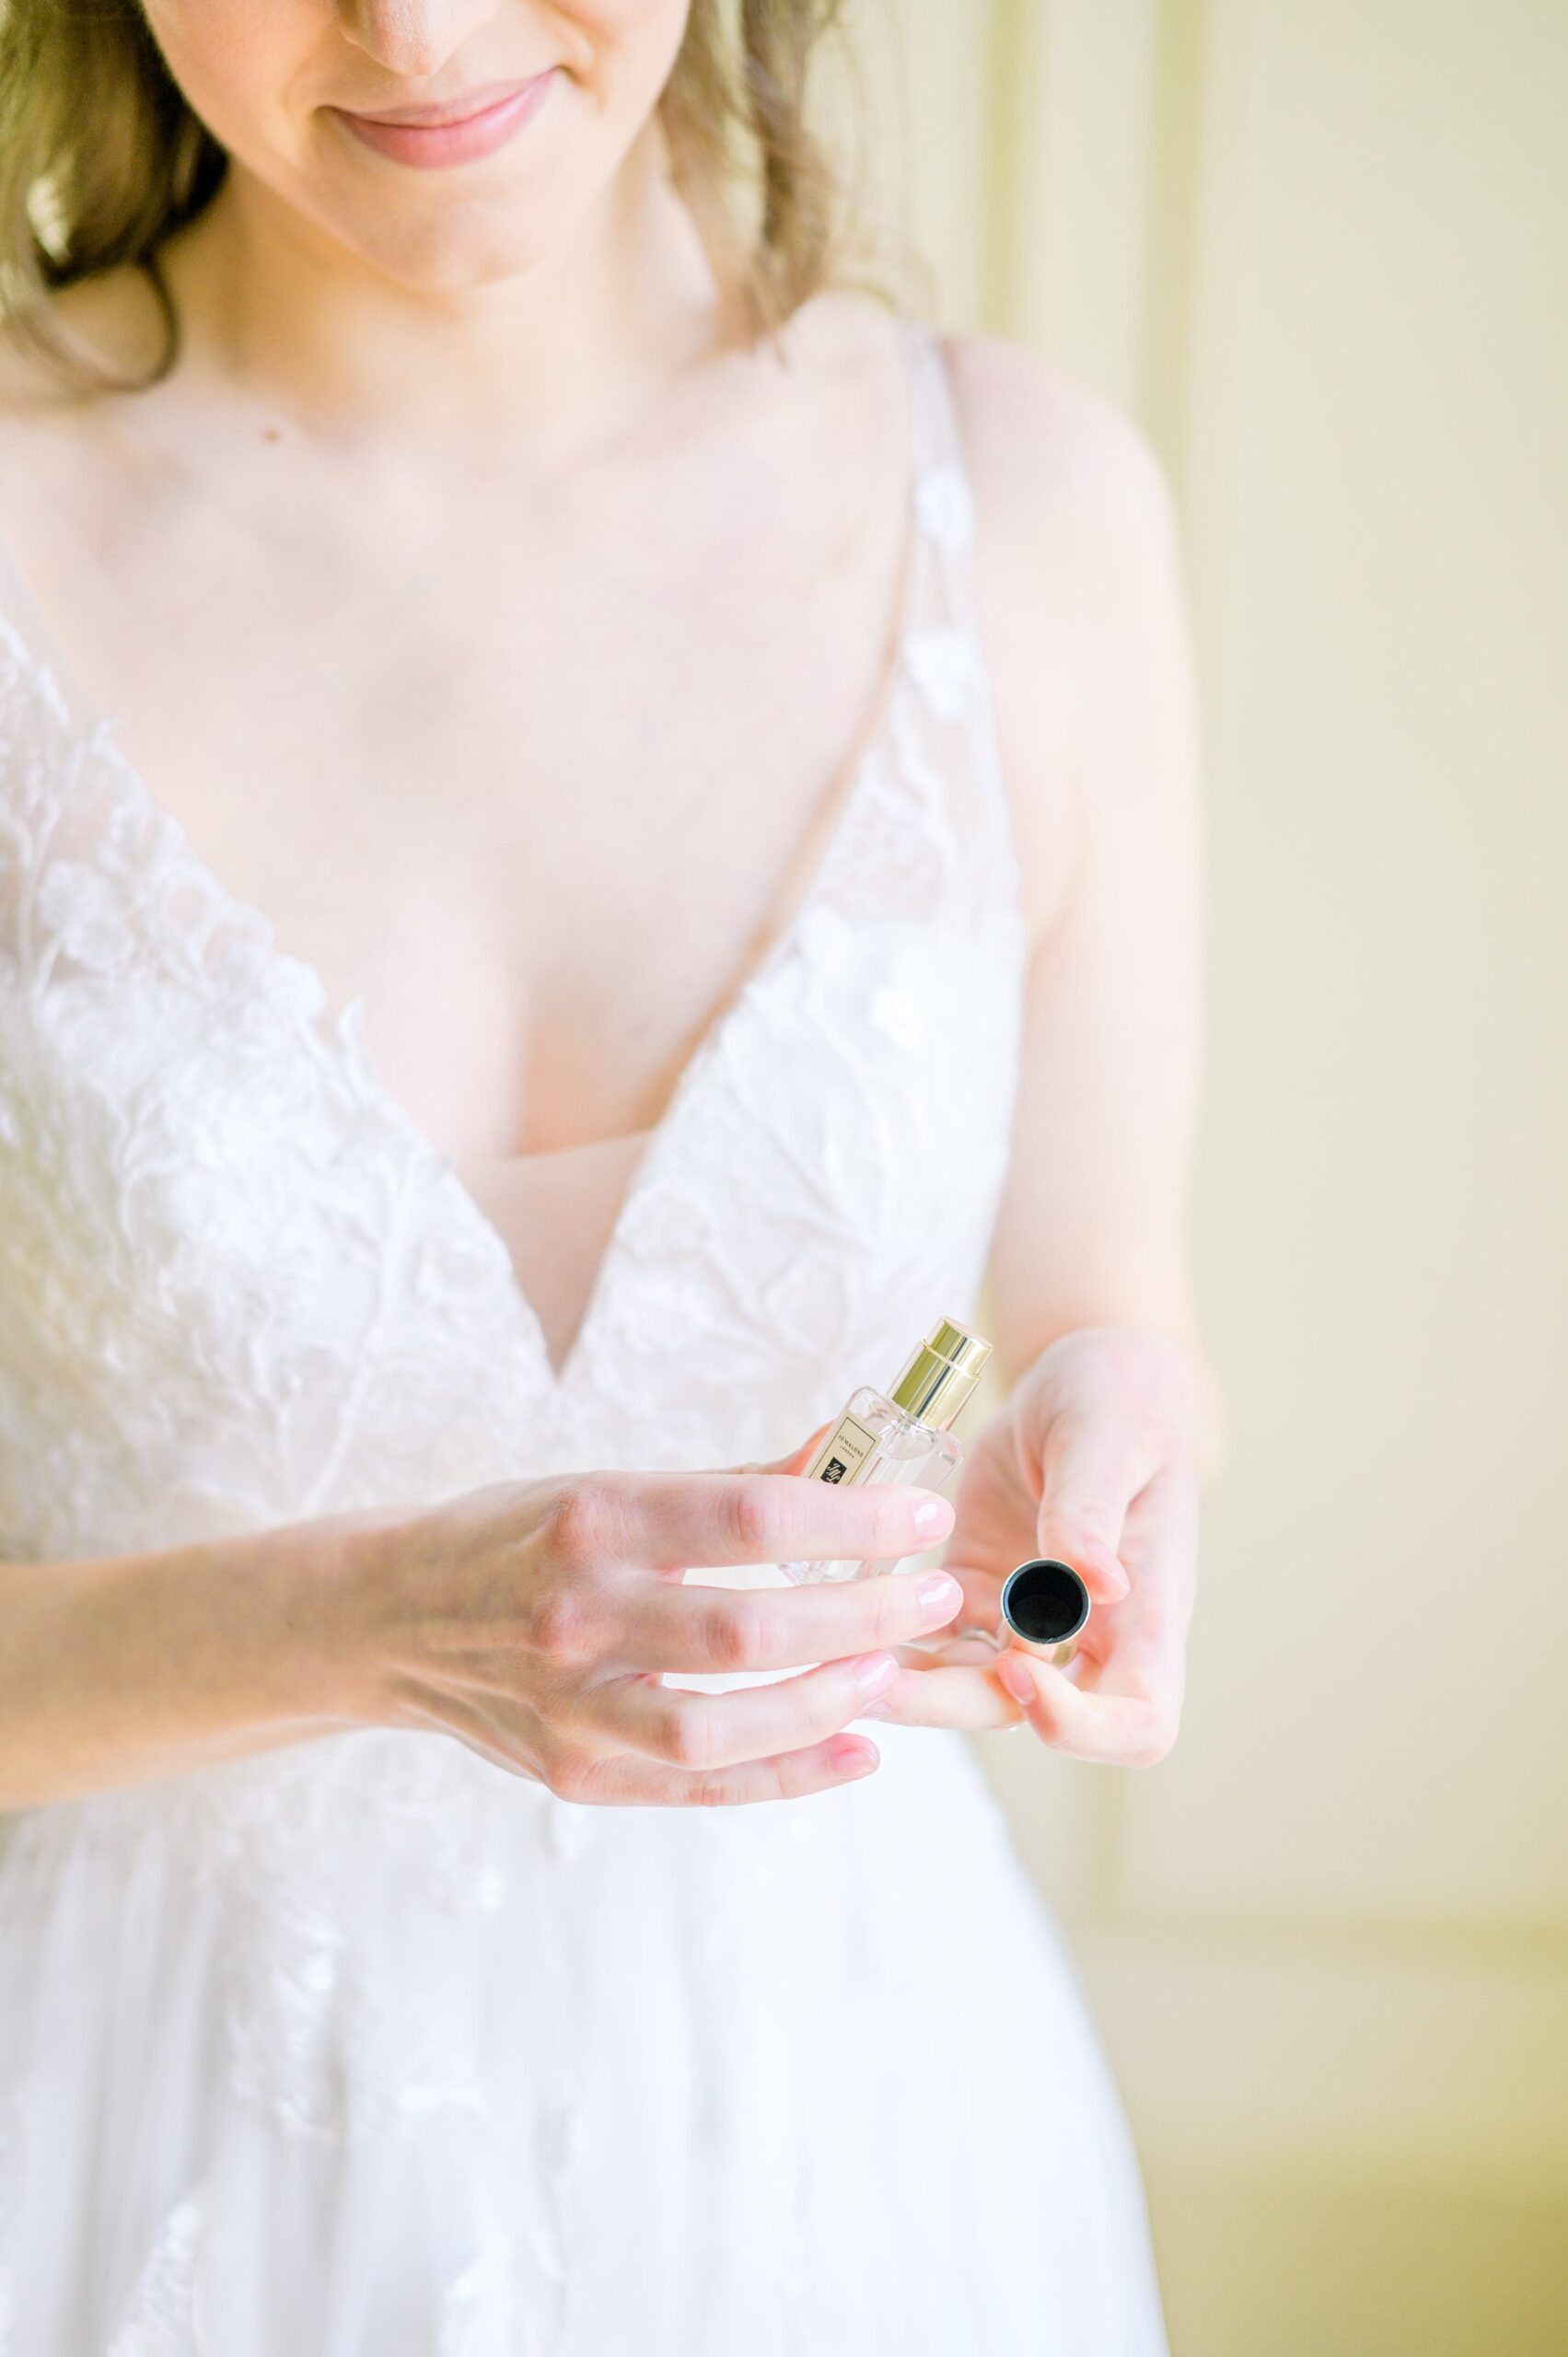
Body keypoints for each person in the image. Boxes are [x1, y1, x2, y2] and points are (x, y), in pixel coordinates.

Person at [0, 3, 1224, 2349]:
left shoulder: (1034, 506)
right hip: (130, 2147)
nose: (424, 31)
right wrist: (358, 1626)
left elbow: (1109, 1291)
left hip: (847, 2151)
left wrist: (1123, 1430)